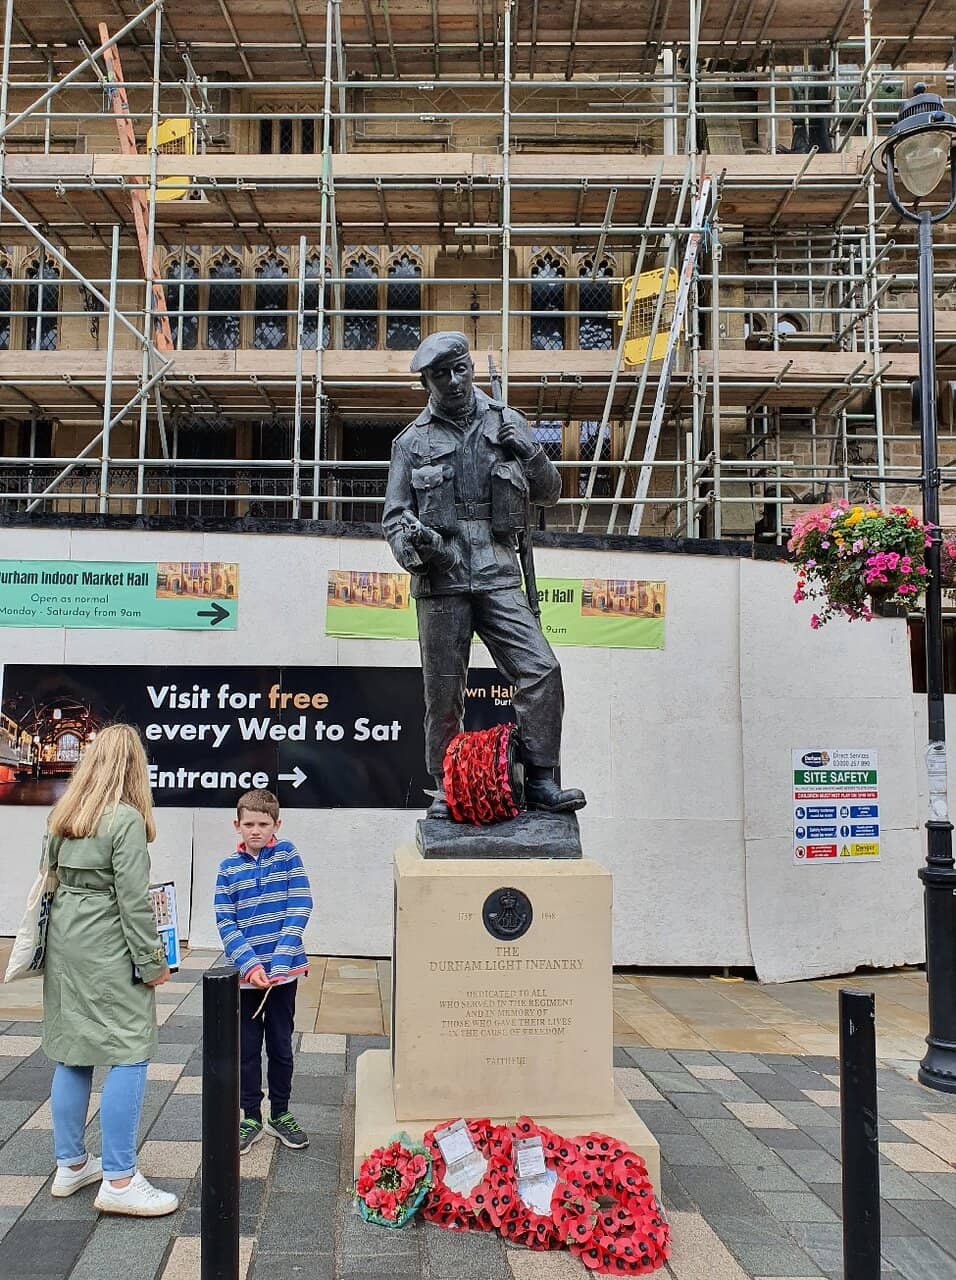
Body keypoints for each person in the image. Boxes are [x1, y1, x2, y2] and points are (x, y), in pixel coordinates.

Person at [383, 330, 586, 818]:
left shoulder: (506, 421)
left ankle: (539, 778)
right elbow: (394, 518)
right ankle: (445, 789)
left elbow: (550, 492)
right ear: (426, 382)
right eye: (439, 375)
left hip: (498, 570)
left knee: (541, 669)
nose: (453, 382)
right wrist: (415, 547)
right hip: (442, 580)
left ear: (471, 368)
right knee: (443, 691)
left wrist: (533, 453)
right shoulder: (411, 443)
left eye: (460, 369)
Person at [41, 723, 178, 1217]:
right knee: (130, 1049)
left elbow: (48, 882)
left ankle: (71, 1164)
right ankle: (120, 1179)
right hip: (106, 946)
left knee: (72, 1053)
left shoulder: (63, 814)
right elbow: (135, 906)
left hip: (66, 942)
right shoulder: (124, 821)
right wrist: (152, 964)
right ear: (134, 767)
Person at [214, 788, 313, 1155]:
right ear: (237, 825)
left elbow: (300, 904)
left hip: (283, 978)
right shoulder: (228, 869)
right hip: (246, 979)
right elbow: (226, 923)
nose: (256, 830)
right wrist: (251, 964)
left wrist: (282, 960)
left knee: (281, 1047)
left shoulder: (287, 855)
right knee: (247, 1049)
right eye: (249, 824)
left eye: (264, 824)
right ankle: (251, 1115)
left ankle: (281, 1113)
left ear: (277, 824)